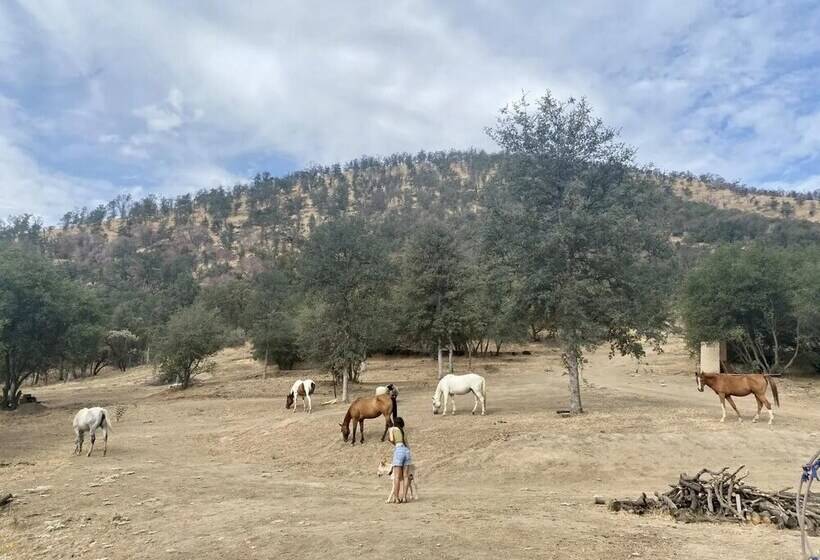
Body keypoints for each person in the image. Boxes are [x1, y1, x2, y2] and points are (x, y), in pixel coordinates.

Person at [387, 416, 412, 503]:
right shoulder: (403, 431)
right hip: (406, 451)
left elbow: (391, 439)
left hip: (399, 450)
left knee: (397, 477)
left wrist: (391, 438)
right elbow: (407, 444)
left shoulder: (392, 429)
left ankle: (396, 498)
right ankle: (404, 497)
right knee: (405, 476)